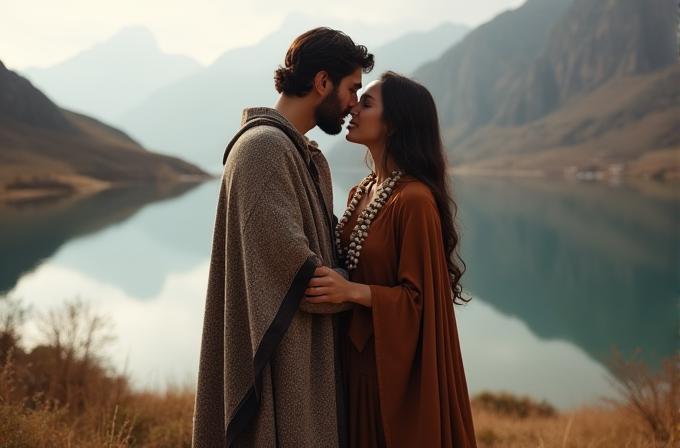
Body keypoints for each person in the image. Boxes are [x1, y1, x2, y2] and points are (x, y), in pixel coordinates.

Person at [192, 28, 374, 448]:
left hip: (302, 363)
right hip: (283, 372)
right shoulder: (263, 149)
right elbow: (307, 279)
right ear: (322, 82)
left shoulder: (298, 152)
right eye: (351, 89)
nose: (352, 104)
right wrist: (365, 291)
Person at [305, 71, 478, 448]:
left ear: (394, 123)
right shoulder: (361, 191)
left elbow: (420, 303)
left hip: (386, 374)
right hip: (350, 363)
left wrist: (352, 292)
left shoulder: (413, 200)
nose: (352, 107)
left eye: (366, 103)